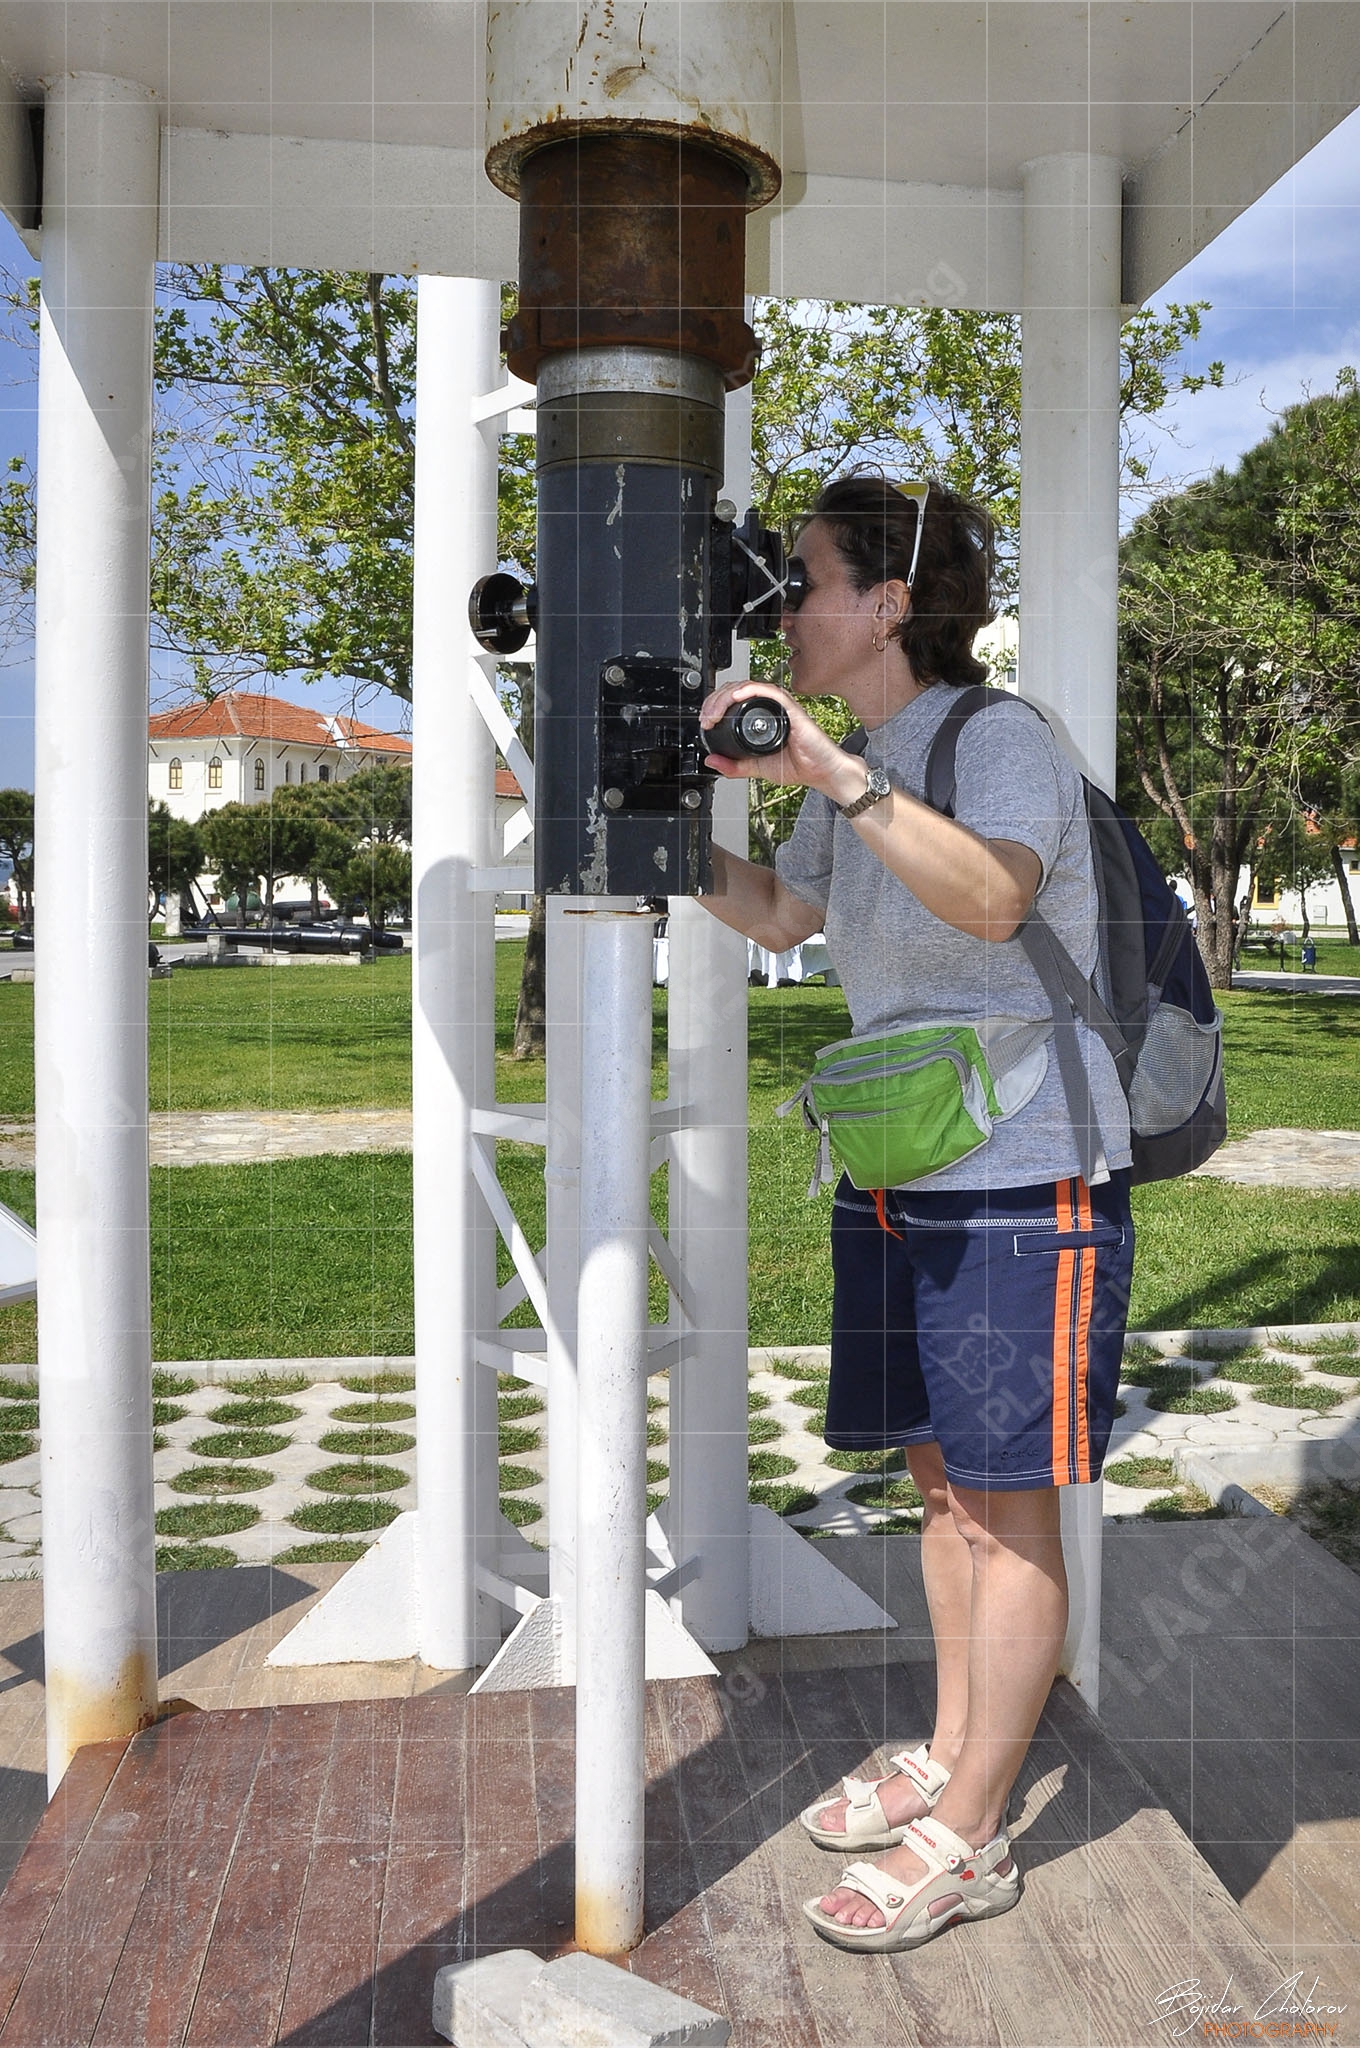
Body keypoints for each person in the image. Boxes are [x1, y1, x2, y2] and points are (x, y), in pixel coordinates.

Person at [696, 473, 1135, 1956]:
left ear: (889, 601)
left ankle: (972, 1833)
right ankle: (953, 1756)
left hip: (1024, 1176)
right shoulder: (870, 755)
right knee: (947, 1491)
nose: (781, 612)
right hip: (902, 1169)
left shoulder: (998, 736)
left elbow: (998, 900)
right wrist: (655, 829)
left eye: (804, 580)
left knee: (1013, 1517)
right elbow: (785, 916)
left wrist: (826, 768)